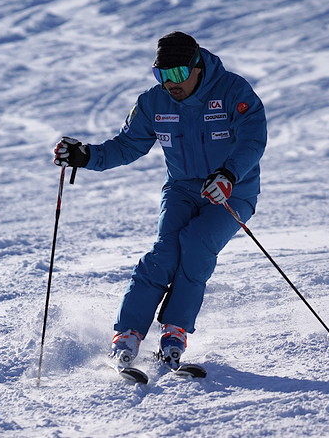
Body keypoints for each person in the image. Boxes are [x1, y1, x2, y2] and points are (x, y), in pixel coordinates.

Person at [53, 31, 267, 369]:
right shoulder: (154, 103)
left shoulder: (232, 91)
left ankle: (175, 332)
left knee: (196, 244)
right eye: (162, 75)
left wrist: (229, 174)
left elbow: (253, 138)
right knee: (165, 250)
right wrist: (86, 156)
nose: (171, 83)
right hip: (182, 189)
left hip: (232, 191)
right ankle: (127, 334)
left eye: (178, 74)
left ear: (197, 67)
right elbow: (127, 145)